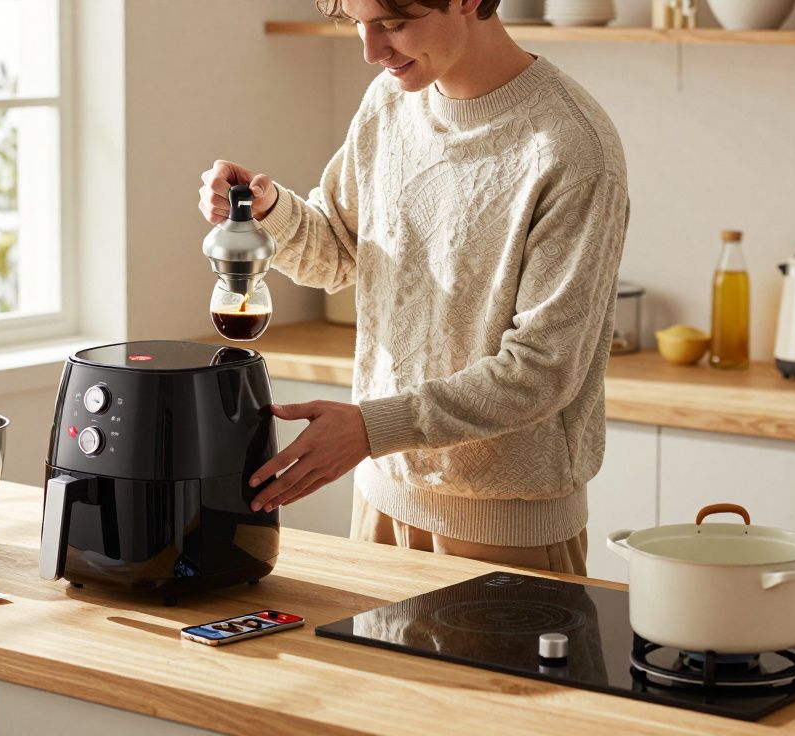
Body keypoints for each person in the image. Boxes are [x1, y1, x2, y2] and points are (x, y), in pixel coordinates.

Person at [197, 0, 629, 575]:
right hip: (379, 502)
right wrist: (269, 209)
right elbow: (339, 253)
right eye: (357, 24)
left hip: (505, 531)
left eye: (393, 25)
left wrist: (371, 428)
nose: (372, 52)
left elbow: (543, 371)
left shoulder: (571, 148)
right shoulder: (389, 102)